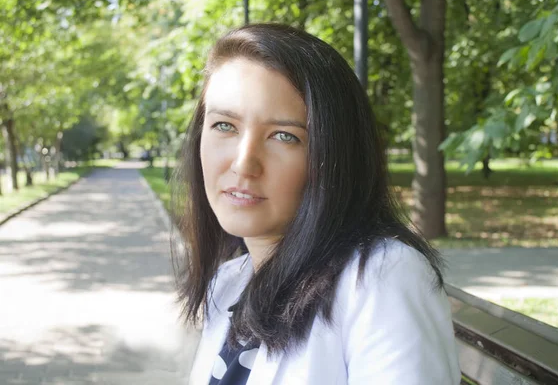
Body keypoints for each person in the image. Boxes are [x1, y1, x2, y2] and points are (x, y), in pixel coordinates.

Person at [173, 23, 461, 384]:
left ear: (334, 156)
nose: (244, 163)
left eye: (284, 136)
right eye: (224, 126)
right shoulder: (229, 282)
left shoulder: (381, 278)